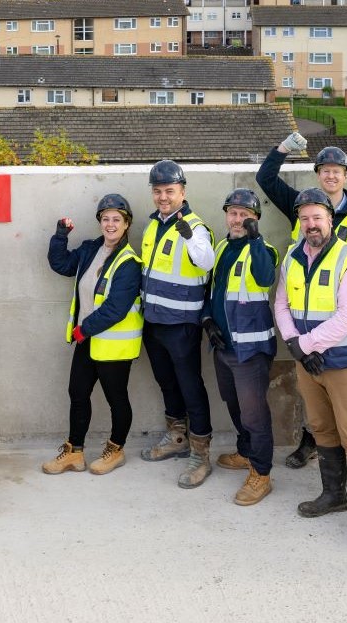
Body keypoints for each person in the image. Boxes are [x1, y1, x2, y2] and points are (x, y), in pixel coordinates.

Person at [273, 188, 347, 552]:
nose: (310, 224)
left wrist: (305, 346)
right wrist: (294, 345)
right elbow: (282, 306)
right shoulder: (292, 257)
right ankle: (333, 495)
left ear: (330, 219)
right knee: (320, 427)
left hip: (345, 364)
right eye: (304, 218)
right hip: (308, 363)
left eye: (317, 217)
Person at [256, 132, 347, 468]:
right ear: (317, 174)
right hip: (305, 321)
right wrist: (283, 148)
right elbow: (265, 178)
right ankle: (312, 442)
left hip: (345, 327)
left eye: (338, 170)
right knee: (315, 403)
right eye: (325, 170)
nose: (331, 175)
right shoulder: (302, 207)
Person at [43, 194, 143, 475]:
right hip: (87, 340)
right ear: (100, 222)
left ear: (126, 224)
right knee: (77, 393)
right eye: (105, 219)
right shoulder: (90, 250)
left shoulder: (129, 262)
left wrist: (82, 330)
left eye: (116, 220)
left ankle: (116, 449)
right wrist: (60, 236)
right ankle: (74, 452)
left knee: (116, 399)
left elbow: (115, 309)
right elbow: (61, 265)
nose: (110, 224)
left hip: (112, 346)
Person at [136, 159, 216, 489]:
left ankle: (201, 455)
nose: (163, 197)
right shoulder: (153, 225)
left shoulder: (194, 226)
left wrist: (187, 235)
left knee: (190, 387)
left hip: (182, 324)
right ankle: (177, 438)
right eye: (158, 191)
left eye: (169, 191)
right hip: (154, 322)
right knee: (167, 383)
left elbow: (206, 261)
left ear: (182, 192)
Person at [201, 188, 278, 506]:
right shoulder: (221, 247)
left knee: (254, 413)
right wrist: (207, 319)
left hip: (251, 349)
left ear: (255, 219)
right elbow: (212, 288)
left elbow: (264, 278)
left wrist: (256, 240)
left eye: (245, 214)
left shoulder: (265, 250)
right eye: (232, 213)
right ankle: (246, 452)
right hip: (224, 346)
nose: (237, 219)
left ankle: (261, 473)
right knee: (232, 403)